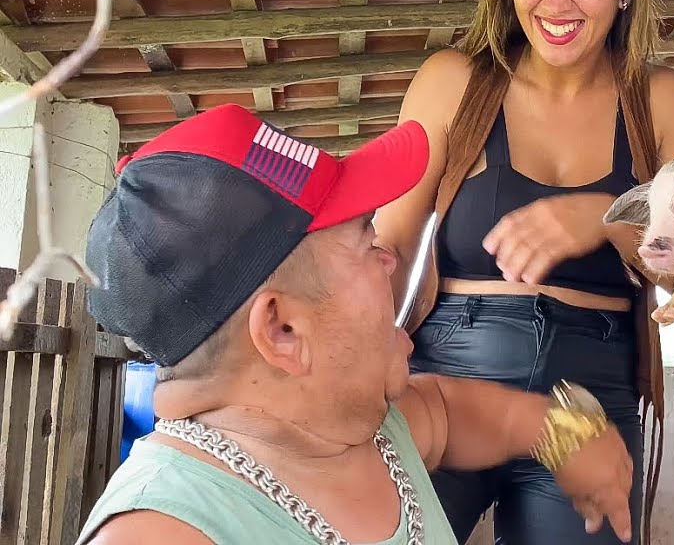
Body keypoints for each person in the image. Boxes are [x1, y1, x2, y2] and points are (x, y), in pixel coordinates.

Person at [75, 103, 636, 545]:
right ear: (283, 331)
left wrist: (569, 432)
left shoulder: (363, 430)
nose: (392, 259)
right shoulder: (163, 531)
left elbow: (448, 408)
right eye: (367, 243)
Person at [373, 0, 674, 545]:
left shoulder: (663, 100)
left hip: (597, 388)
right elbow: (385, 247)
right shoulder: (453, 83)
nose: (555, 3)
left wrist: (604, 217)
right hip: (447, 373)